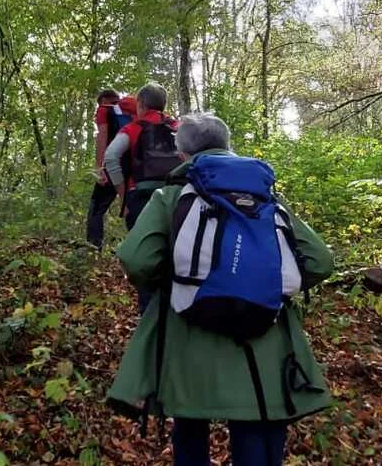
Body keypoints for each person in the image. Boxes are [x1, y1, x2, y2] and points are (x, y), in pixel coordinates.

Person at [107, 113, 334, 466]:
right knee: (257, 432)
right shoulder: (265, 197)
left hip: (187, 337)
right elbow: (320, 261)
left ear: (182, 154)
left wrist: (179, 277)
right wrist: (265, 282)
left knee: (188, 427)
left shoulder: (171, 196)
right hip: (262, 341)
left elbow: (137, 259)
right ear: (229, 146)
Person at [103, 82, 182, 312]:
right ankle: (174, 311)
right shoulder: (178, 128)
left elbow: (111, 157)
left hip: (140, 199)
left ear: (141, 104)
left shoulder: (133, 128)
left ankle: (148, 314)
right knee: (175, 255)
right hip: (176, 199)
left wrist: (123, 195)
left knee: (145, 258)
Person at [87, 88, 136, 249]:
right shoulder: (133, 112)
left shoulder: (104, 110)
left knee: (96, 210)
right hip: (134, 168)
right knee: (133, 209)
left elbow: (102, 136)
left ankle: (93, 248)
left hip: (112, 164)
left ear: (103, 100)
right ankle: (137, 248)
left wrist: (99, 167)